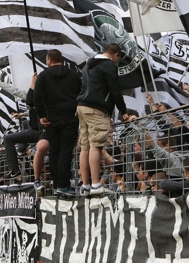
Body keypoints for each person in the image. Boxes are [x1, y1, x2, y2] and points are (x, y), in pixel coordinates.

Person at [77, 43, 136, 196]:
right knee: (96, 145)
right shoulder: (109, 66)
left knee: (85, 147)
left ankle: (86, 186)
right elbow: (115, 90)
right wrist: (123, 112)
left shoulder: (87, 65)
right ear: (116, 55)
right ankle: (96, 184)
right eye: (118, 59)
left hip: (82, 106)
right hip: (96, 108)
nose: (117, 63)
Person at [34, 49, 81, 196]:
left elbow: (37, 97)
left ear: (48, 60)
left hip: (51, 119)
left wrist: (42, 115)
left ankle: (56, 183)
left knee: (54, 151)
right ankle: (63, 184)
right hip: (70, 117)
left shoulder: (43, 76)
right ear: (62, 59)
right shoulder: (74, 75)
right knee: (66, 151)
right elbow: (81, 93)